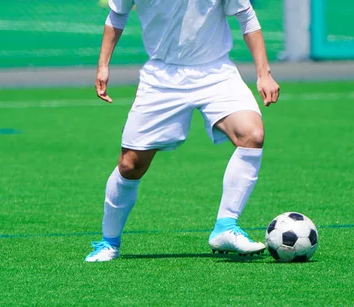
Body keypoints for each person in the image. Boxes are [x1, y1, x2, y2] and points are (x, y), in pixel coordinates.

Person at [85, 0, 280, 262]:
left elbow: (247, 17)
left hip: (215, 72)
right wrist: (103, 65)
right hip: (162, 78)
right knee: (130, 165)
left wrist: (264, 73)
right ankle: (109, 243)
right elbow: (116, 16)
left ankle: (226, 226)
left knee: (252, 134)